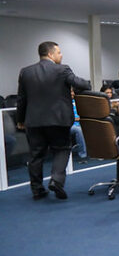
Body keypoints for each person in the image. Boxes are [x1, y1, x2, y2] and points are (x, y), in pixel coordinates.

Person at [16, 41, 90, 200]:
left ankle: (37, 190)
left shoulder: (26, 72)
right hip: (59, 119)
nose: (61, 55)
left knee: (36, 156)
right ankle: (56, 180)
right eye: (59, 52)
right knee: (62, 149)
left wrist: (20, 119)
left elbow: (21, 99)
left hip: (33, 121)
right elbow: (83, 84)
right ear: (50, 54)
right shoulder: (62, 69)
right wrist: (74, 89)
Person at [70, 89, 87, 160]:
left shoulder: (77, 102)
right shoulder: (63, 103)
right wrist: (74, 119)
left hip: (81, 122)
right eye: (70, 92)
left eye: (73, 91)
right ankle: (83, 154)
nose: (72, 93)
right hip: (70, 125)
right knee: (78, 130)